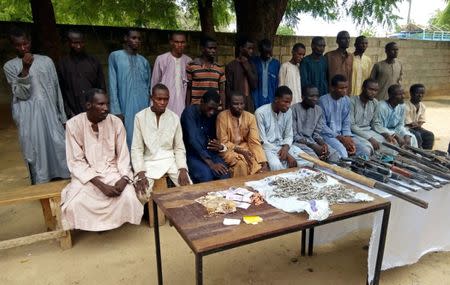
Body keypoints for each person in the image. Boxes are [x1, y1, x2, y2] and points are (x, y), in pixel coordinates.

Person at [61, 89, 143, 231]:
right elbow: (76, 162)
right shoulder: (73, 125)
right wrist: (101, 186)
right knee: (75, 205)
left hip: (113, 172)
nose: (106, 108)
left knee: (129, 198)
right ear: (88, 106)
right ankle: (95, 226)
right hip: (88, 177)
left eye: (107, 104)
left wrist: (124, 179)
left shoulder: (116, 122)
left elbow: (123, 156)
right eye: (101, 104)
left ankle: (110, 223)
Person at [3, 27, 70, 184]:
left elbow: (56, 88)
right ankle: (41, 181)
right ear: (13, 46)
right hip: (28, 117)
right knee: (35, 149)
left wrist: (62, 115)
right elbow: (21, 94)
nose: (23, 48)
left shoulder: (46, 61)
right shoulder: (10, 66)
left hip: (50, 113)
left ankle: (64, 178)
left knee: (59, 145)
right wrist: (25, 69)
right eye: (18, 45)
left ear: (30, 42)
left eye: (25, 44)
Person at [131, 84, 191, 201]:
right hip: (148, 162)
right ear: (151, 98)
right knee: (141, 195)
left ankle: (181, 218)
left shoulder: (174, 118)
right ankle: (147, 218)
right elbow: (137, 148)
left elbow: (179, 148)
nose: (162, 102)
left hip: (170, 160)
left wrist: (183, 168)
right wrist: (140, 171)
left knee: (189, 189)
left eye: (166, 99)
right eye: (159, 99)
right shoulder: (140, 117)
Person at [108, 29, 151, 148]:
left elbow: (148, 87)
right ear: (126, 38)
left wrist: (149, 109)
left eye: (139, 39)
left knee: (143, 135)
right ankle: (129, 164)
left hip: (143, 106)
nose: (137, 41)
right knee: (126, 136)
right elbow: (112, 84)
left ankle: (141, 163)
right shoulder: (115, 56)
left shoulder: (144, 61)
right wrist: (116, 110)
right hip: (124, 105)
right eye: (133, 38)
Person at [255, 86, 310, 170]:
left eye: (290, 102)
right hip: (268, 148)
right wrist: (287, 155)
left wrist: (286, 148)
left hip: (284, 146)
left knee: (308, 161)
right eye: (286, 102)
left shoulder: (288, 112)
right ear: (276, 99)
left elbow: (289, 135)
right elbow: (263, 141)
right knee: (276, 166)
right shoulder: (260, 113)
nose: (288, 105)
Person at [181, 89, 230, 183]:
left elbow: (213, 137)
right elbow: (193, 140)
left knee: (224, 173)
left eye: (215, 109)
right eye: (210, 108)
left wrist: (219, 145)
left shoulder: (213, 115)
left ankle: (221, 198)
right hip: (192, 154)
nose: (212, 112)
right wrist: (211, 164)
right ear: (202, 102)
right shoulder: (189, 112)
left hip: (209, 152)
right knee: (206, 175)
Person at [216, 93, 269, 177]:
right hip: (228, 149)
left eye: (241, 104)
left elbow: (254, 141)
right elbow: (223, 142)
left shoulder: (250, 117)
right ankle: (239, 189)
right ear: (230, 104)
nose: (239, 107)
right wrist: (241, 151)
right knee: (241, 165)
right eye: (235, 104)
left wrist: (263, 162)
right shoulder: (222, 117)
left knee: (258, 168)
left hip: (246, 148)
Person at [319, 75, 371, 158]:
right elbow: (322, 126)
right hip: (328, 136)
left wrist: (347, 136)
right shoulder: (322, 101)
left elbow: (346, 121)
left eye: (346, 88)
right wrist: (340, 138)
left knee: (364, 150)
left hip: (343, 135)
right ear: (332, 88)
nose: (344, 91)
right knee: (343, 154)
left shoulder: (346, 100)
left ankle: (356, 168)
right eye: (341, 88)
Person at [57, 30, 106, 118]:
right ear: (69, 43)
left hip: (94, 111)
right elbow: (61, 90)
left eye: (81, 42)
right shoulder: (63, 64)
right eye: (75, 43)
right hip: (73, 113)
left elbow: (101, 88)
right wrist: (68, 112)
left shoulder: (94, 62)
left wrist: (100, 108)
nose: (79, 46)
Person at [291, 85, 340, 161]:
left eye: (317, 96)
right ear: (303, 97)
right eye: (311, 96)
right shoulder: (293, 109)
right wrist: (312, 146)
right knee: (315, 160)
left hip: (312, 141)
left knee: (334, 156)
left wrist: (323, 144)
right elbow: (294, 136)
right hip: (298, 143)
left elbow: (316, 134)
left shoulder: (319, 110)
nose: (315, 99)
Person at [349, 79, 395, 155]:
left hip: (369, 131)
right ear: (363, 88)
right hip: (355, 133)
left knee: (390, 145)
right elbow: (352, 126)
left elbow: (375, 123)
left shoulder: (375, 102)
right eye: (370, 89)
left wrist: (385, 133)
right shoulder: (352, 101)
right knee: (368, 148)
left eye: (376, 90)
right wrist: (369, 138)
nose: (373, 93)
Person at [151, 32, 192, 117]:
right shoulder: (161, 59)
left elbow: (190, 87)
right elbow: (154, 84)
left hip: (182, 106)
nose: (180, 45)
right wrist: (153, 106)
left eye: (182, 42)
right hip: (164, 105)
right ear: (171, 42)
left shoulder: (189, 61)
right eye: (176, 42)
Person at [186, 37, 226, 109]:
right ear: (202, 49)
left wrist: (223, 108)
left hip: (214, 108)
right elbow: (188, 89)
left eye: (215, 48)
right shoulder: (192, 66)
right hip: (196, 107)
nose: (213, 51)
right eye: (210, 48)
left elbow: (222, 91)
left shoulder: (220, 67)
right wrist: (187, 108)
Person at [225, 37, 258, 112]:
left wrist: (247, 68)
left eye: (252, 49)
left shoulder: (252, 65)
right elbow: (228, 88)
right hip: (236, 104)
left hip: (249, 102)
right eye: (249, 48)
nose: (251, 51)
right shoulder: (231, 66)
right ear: (241, 48)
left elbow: (254, 85)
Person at [251, 39, 280, 110]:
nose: (268, 55)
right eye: (265, 53)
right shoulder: (254, 62)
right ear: (260, 51)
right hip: (256, 98)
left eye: (269, 52)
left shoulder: (276, 64)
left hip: (271, 98)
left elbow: (277, 83)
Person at [404, 84, 434, 149]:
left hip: (417, 128)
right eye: (417, 93)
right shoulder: (405, 106)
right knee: (417, 135)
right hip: (406, 128)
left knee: (430, 135)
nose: (420, 95)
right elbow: (409, 123)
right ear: (411, 93)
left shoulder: (422, 106)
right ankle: (417, 153)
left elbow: (421, 121)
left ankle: (427, 154)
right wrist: (416, 124)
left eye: (422, 93)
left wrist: (417, 124)